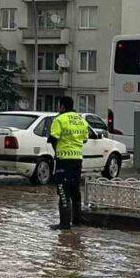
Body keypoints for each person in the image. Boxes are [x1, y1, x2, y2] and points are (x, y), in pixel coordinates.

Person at [47, 95, 91, 230]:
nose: (57, 108)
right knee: (75, 190)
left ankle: (64, 224)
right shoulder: (81, 120)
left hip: (63, 160)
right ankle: (77, 221)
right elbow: (84, 140)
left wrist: (57, 152)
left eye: (58, 105)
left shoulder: (59, 119)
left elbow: (53, 138)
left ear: (62, 107)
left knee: (63, 191)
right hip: (77, 159)